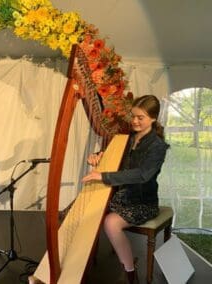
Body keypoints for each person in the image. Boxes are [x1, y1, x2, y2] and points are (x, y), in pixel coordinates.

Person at [82, 94, 169, 284]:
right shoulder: (126, 138)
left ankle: (131, 273)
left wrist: (103, 176)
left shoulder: (158, 146)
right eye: (133, 116)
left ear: (153, 118)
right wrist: (97, 156)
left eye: (141, 118)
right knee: (79, 212)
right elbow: (115, 158)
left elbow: (142, 175)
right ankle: (78, 264)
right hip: (121, 196)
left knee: (111, 223)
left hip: (142, 202)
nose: (135, 121)